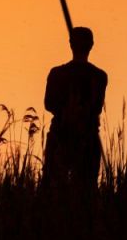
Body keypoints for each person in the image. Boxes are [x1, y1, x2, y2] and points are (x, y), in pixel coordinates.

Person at [42, 25, 107, 189]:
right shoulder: (99, 76)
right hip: (87, 138)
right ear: (92, 45)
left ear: (70, 44)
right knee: (86, 189)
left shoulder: (56, 73)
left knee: (51, 187)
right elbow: (96, 108)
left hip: (61, 136)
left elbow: (49, 104)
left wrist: (67, 111)